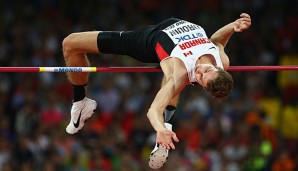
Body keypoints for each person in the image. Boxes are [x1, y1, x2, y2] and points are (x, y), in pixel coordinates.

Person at [62, 13, 251, 169]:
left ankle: (80, 102)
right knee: (172, 75)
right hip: (166, 27)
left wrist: (159, 129)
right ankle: (166, 128)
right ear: (218, 68)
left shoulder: (181, 73)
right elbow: (217, 40)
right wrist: (232, 26)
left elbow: (153, 110)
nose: (200, 71)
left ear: (200, 84)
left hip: (146, 41)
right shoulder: (221, 60)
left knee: (70, 44)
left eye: (200, 78)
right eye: (207, 70)